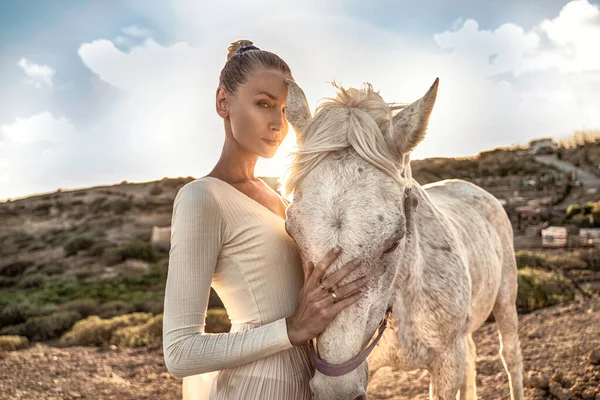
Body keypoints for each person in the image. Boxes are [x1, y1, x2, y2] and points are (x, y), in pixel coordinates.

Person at [162, 39, 368, 400]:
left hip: (314, 384)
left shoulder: (284, 200)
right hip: (256, 389)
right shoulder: (202, 197)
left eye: (286, 110)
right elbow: (179, 353)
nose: (278, 123)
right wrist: (292, 329)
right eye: (264, 104)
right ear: (223, 102)